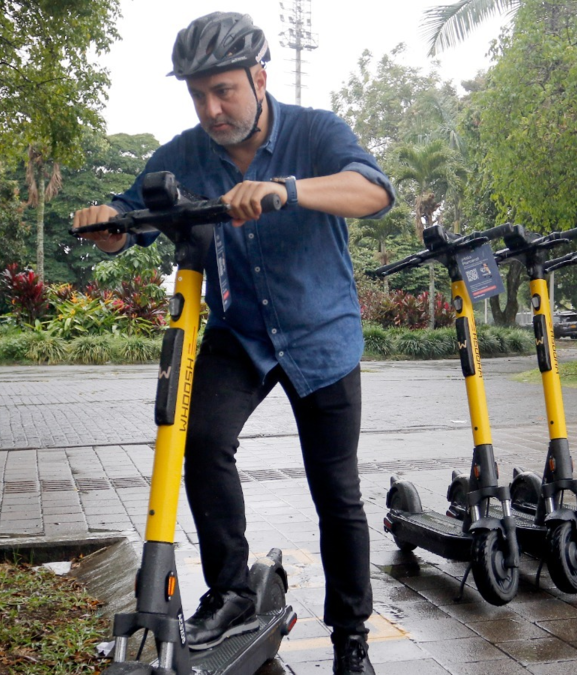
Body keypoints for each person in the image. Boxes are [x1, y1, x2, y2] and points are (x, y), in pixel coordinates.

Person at [74, 12, 393, 675]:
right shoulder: (187, 153)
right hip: (240, 333)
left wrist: (287, 189)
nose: (212, 108)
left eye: (224, 90)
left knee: (336, 492)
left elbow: (373, 192)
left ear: (259, 76)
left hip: (321, 333)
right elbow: (132, 209)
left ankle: (351, 639)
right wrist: (110, 225)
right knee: (199, 438)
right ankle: (230, 592)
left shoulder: (316, 132)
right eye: (198, 94)